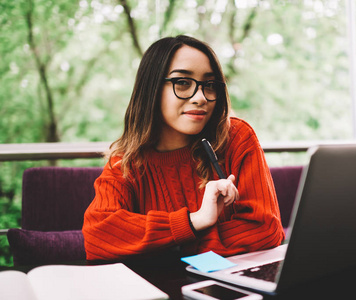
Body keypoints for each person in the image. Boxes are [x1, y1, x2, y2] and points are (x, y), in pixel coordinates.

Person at [82, 35, 285, 261]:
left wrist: (172, 246)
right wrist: (195, 220)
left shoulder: (237, 137)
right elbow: (97, 235)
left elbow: (265, 230)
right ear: (151, 89)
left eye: (209, 85)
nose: (200, 98)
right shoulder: (125, 162)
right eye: (182, 83)